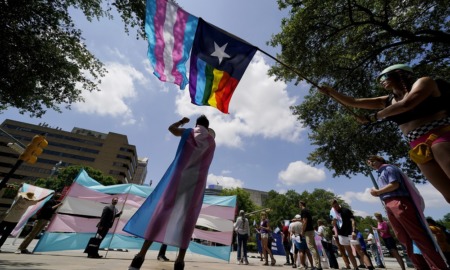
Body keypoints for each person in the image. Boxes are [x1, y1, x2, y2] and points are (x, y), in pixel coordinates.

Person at [319, 64, 450, 204]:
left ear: (401, 74)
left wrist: (373, 117)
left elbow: (407, 104)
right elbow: (354, 102)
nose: (381, 80)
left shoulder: (425, 82)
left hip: (440, 136)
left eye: (384, 76)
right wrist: (331, 92)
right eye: (379, 79)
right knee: (448, 195)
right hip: (417, 147)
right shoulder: (387, 100)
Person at [123, 115, 216, 270]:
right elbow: (210, 137)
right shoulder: (211, 142)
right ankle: (180, 260)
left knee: (162, 211)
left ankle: (140, 256)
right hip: (197, 182)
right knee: (189, 217)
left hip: (179, 177)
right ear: (208, 126)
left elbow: (171, 129)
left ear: (197, 124)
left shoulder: (189, 132)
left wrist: (182, 122)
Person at [368, 155, 448, 269]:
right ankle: (419, 265)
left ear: (380, 159)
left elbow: (395, 184)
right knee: (403, 238)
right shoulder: (379, 174)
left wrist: (378, 191)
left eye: (372, 161)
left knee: (417, 235)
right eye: (369, 162)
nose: (371, 163)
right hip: (388, 203)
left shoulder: (389, 169)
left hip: (399, 201)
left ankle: (437, 266)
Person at [329, 198, 359, 270]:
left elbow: (353, 220)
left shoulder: (345, 210)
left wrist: (353, 231)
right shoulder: (333, 213)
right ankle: (355, 267)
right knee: (348, 251)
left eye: (336, 206)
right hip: (341, 234)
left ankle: (368, 265)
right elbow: (333, 224)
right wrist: (334, 221)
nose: (335, 207)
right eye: (333, 206)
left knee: (359, 250)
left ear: (338, 204)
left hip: (350, 233)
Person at [299, 201, 322, 270]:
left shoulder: (303, 211)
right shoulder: (307, 210)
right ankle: (318, 265)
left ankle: (318, 266)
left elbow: (305, 221)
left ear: (300, 204)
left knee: (311, 248)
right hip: (311, 230)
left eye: (299, 205)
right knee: (314, 248)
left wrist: (302, 231)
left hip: (308, 231)